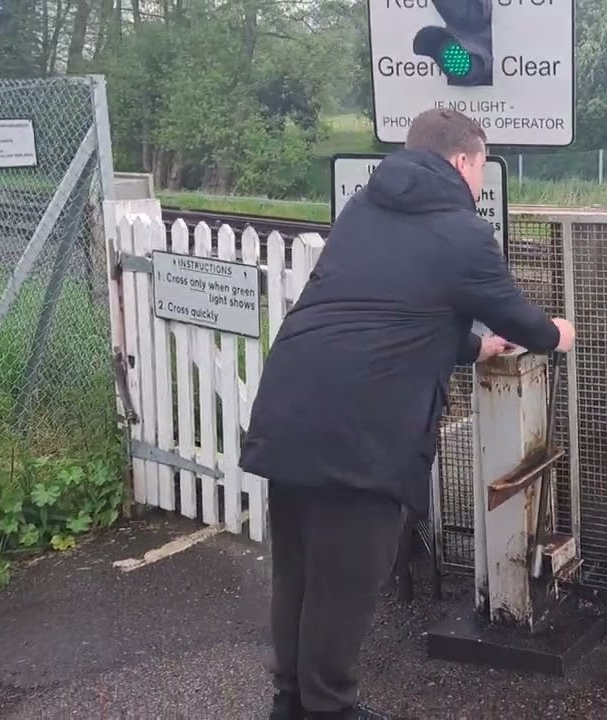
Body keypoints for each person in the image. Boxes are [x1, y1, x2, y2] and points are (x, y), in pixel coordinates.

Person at [239, 108, 576, 720]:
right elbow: (518, 317)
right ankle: (332, 709)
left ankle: (292, 702)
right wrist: (556, 332)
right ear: (461, 161)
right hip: (360, 431)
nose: (479, 183)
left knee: (298, 574)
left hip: (291, 405)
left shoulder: (362, 213)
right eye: (480, 168)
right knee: (344, 586)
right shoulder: (462, 229)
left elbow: (391, 313)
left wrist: (475, 347)